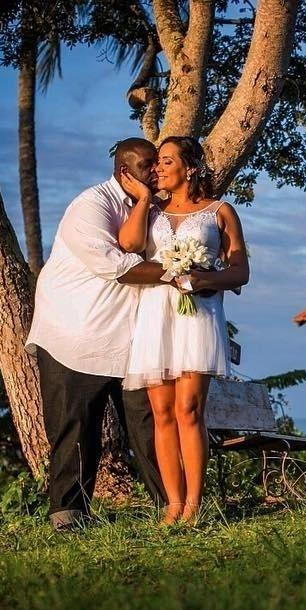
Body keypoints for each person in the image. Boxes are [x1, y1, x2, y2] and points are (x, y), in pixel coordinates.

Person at [25, 138, 204, 530]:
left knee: (147, 422)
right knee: (75, 427)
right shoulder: (90, 206)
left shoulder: (153, 208)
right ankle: (68, 516)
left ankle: (173, 508)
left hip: (129, 339)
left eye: (158, 164)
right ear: (124, 172)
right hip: (73, 332)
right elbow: (117, 265)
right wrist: (183, 275)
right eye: (145, 166)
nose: (154, 171)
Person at [118, 136, 249, 524]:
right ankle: (171, 504)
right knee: (161, 412)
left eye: (166, 161)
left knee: (189, 409)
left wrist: (204, 280)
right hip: (156, 314)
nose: (157, 168)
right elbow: (128, 243)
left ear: (190, 167)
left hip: (198, 317)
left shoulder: (220, 212)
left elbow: (241, 271)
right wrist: (142, 197)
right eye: (156, 162)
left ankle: (194, 504)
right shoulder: (152, 211)